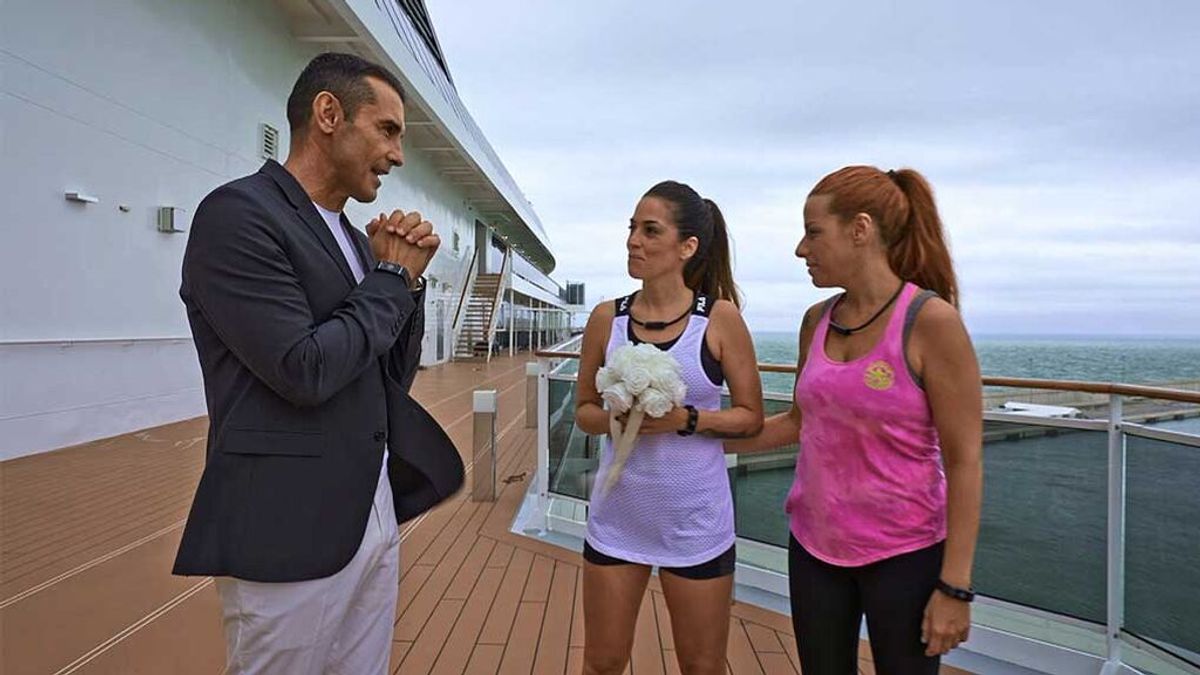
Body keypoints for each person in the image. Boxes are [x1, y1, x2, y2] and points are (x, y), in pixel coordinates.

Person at [172, 52, 464, 674]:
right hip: (285, 526)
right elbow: (303, 368)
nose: (398, 155)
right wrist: (391, 278)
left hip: (369, 512)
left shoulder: (357, 240)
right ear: (328, 114)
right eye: (386, 130)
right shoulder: (238, 215)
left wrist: (406, 288)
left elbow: (389, 378)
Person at [730, 166, 983, 674]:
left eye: (813, 232)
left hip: (905, 555)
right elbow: (798, 423)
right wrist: (695, 434)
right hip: (814, 547)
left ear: (860, 230)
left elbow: (965, 461)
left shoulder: (931, 323)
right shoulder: (816, 320)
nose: (802, 249)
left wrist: (954, 586)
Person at [574, 181, 764, 675]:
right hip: (618, 518)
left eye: (650, 230)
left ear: (688, 247)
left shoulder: (718, 320)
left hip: (695, 524)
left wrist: (687, 419)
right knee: (603, 662)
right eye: (632, 228)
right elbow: (583, 411)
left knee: (701, 666)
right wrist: (619, 417)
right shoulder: (606, 319)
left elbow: (750, 416)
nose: (633, 240)